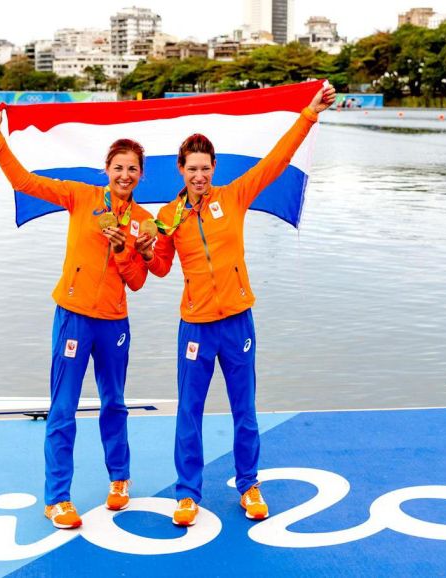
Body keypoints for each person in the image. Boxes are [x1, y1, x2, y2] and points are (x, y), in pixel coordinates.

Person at [137, 84, 336, 526]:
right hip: (196, 327)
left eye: (206, 168)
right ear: (180, 170)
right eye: (192, 169)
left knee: (244, 410)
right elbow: (161, 269)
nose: (199, 176)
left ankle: (248, 485)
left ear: (214, 168)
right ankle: (187, 494)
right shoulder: (167, 216)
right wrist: (149, 250)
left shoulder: (234, 196)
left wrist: (309, 114)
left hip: (238, 324)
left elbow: (275, 162)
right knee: (189, 413)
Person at [0, 103, 155, 530]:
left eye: (133, 169)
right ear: (107, 169)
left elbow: (137, 282)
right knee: (63, 408)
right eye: (118, 167)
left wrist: (123, 252)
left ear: (141, 175)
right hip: (74, 317)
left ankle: (119, 479)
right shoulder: (81, 197)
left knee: (114, 403)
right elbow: (24, 182)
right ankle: (57, 498)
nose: (125, 175)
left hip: (114, 323)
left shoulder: (144, 222)